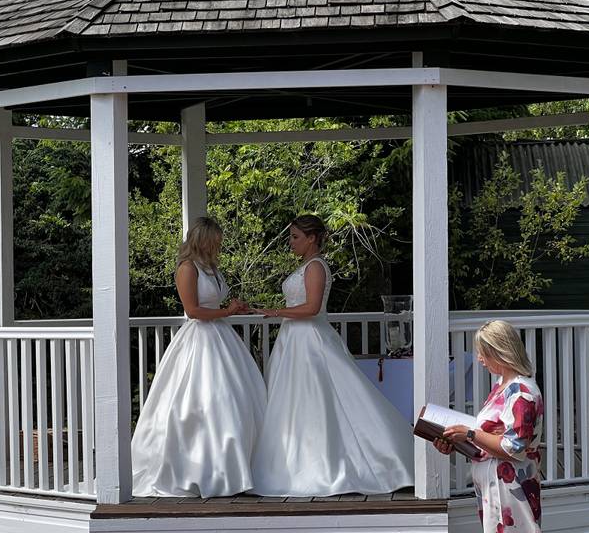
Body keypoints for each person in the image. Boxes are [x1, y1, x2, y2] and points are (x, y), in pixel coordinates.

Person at [250, 214, 413, 496]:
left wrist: (276, 312)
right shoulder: (306, 266)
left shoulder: (315, 267)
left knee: (317, 399)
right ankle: (292, 463)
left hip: (310, 340)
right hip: (294, 340)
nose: (291, 242)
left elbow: (312, 308)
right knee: (293, 403)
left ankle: (332, 464)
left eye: (295, 237)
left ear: (312, 239)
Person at [131, 217, 266, 497]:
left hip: (221, 338)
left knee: (235, 399)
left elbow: (214, 306)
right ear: (202, 240)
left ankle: (237, 468)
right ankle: (199, 470)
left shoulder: (212, 268)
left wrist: (232, 309)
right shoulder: (187, 268)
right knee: (201, 402)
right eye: (214, 240)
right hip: (199, 339)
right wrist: (226, 312)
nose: (218, 245)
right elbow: (193, 310)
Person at [435, 320, 544, 533]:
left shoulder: (522, 393)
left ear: (500, 352)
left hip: (510, 489)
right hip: (495, 488)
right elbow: (490, 435)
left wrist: (469, 433)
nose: (480, 359)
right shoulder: (502, 386)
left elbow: (513, 447)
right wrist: (457, 440)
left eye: (483, 353)